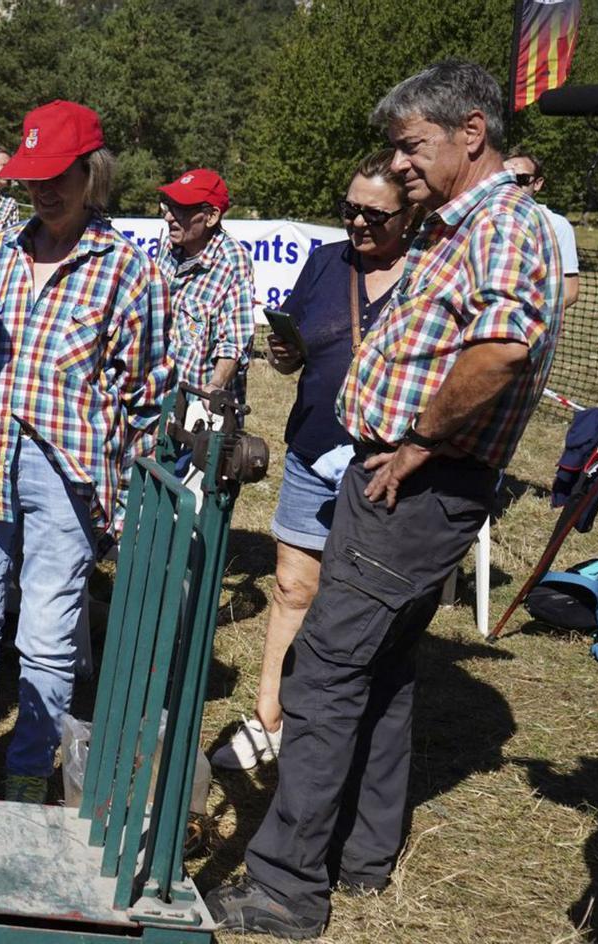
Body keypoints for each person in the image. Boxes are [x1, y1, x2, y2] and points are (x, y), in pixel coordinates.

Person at [205, 60, 563, 938]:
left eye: (413, 146)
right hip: (405, 477)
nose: (401, 165)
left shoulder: (503, 227)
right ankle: (364, 854)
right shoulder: (465, 221)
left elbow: (503, 351)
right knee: (386, 670)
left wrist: (419, 439)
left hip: (416, 480)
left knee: (323, 673)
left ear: (470, 134)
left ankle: (287, 888)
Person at [0, 101, 172, 803]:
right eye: (32, 177)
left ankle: (27, 766)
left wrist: (130, 485)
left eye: (59, 175)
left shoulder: (127, 271)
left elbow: (142, 388)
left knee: (49, 630)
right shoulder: (1, 258)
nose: (44, 190)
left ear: (92, 172)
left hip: (67, 472)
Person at [209, 150, 417, 773]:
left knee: (356, 604)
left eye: (374, 215)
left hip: (384, 461)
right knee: (292, 587)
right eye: (349, 209)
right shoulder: (327, 261)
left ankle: (332, 734)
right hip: (312, 448)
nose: (358, 224)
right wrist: (284, 351)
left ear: (410, 214)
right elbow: (295, 352)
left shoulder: (429, 274)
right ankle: (269, 717)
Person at [155, 168, 255, 402]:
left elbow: (234, 341)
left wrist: (215, 386)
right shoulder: (168, 249)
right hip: (158, 399)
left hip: (199, 411)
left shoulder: (232, 262)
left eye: (181, 209)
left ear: (211, 216)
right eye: (168, 206)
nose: (169, 217)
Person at [504, 148, 579, 307]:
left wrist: (531, 322)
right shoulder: (484, 218)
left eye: (521, 179)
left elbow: (569, 291)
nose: (511, 185)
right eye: (504, 178)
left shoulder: (556, 225)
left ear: (537, 183)